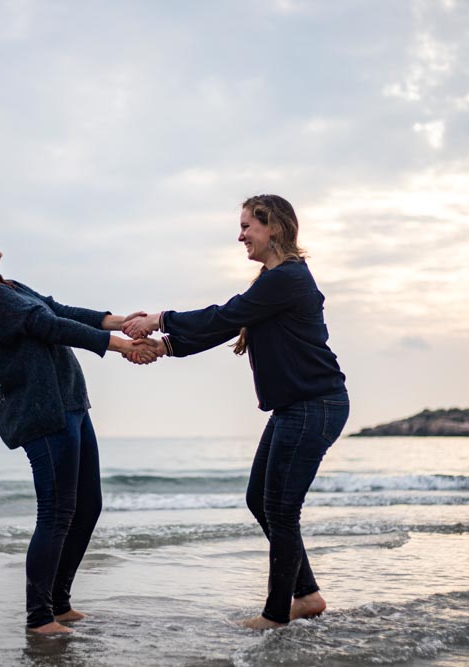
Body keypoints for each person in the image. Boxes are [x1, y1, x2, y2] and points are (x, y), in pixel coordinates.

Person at [122, 194, 349, 630]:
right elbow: (228, 323)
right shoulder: (271, 281)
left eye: (248, 226)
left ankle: (277, 613)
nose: (241, 234)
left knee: (281, 510)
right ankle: (307, 596)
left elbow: (226, 315)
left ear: (275, 228)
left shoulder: (288, 278)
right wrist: (166, 345)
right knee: (259, 500)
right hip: (297, 407)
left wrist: (160, 319)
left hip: (314, 405)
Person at [0, 217, 155, 634]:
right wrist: (120, 345)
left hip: (70, 403)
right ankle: (39, 617)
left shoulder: (9, 288)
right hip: (41, 414)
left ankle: (59, 603)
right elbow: (46, 325)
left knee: (87, 507)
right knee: (56, 512)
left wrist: (120, 321)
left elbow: (60, 310)